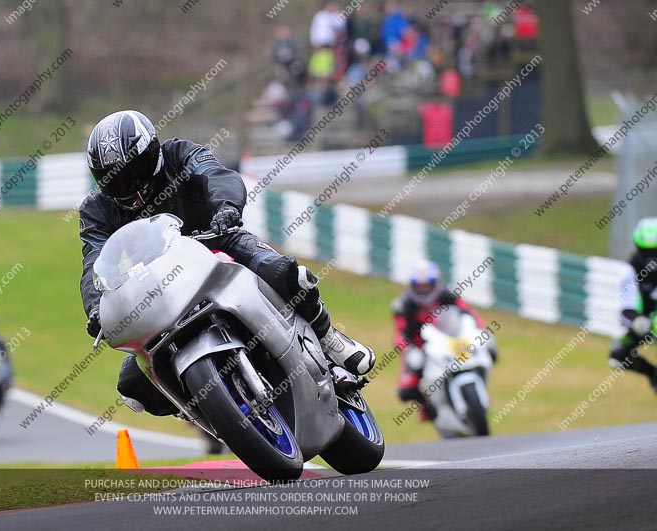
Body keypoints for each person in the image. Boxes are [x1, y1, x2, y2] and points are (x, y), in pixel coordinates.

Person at [79, 110, 375, 415]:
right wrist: (95, 308)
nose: (128, 187)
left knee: (287, 275)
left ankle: (329, 338)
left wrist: (226, 208)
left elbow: (217, 175)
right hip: (160, 282)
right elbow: (93, 261)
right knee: (133, 386)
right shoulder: (96, 209)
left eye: (134, 171)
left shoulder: (178, 154)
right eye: (114, 179)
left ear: (153, 152)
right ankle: (205, 409)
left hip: (217, 239)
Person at [392, 261, 494, 419]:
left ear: (435, 283)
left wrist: (480, 329)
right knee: (407, 389)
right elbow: (400, 333)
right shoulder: (404, 305)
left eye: (427, 285)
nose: (423, 289)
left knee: (489, 349)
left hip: (449, 339)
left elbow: (468, 313)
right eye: (419, 286)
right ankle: (428, 408)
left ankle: (481, 395)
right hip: (421, 348)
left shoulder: (448, 295)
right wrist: (409, 351)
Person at [608, 218, 657, 393]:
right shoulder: (628, 271)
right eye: (647, 251)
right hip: (646, 322)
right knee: (617, 355)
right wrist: (637, 321)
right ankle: (652, 373)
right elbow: (625, 310)